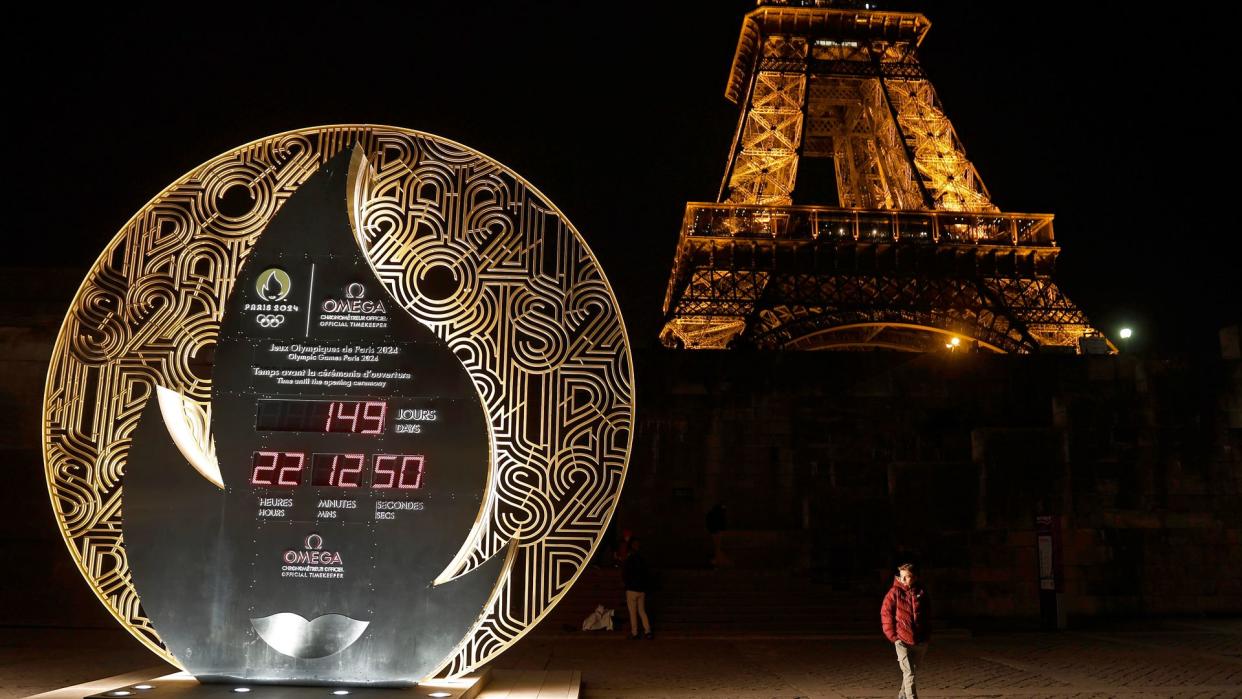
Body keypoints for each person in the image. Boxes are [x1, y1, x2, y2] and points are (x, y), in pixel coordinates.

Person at [881, 563, 930, 699]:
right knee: (909, 673)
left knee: (911, 671)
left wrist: (926, 635)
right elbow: (886, 614)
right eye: (901, 577)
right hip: (902, 639)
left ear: (914, 577)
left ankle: (902, 696)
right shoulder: (894, 593)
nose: (903, 580)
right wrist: (893, 637)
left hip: (920, 641)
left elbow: (927, 614)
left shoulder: (921, 592)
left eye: (907, 577)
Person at [623, 537, 653, 639]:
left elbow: (625, 573)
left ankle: (634, 632)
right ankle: (647, 631)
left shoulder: (629, 559)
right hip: (641, 589)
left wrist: (626, 584)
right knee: (642, 611)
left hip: (631, 589)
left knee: (633, 612)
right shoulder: (642, 559)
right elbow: (646, 573)